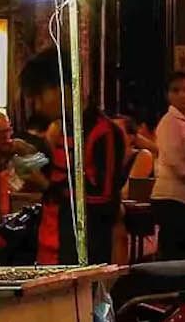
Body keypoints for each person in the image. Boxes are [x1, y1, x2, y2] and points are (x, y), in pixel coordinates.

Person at [20, 52, 126, 265]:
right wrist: (29, 158)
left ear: (61, 88)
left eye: (40, 97)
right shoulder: (61, 129)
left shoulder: (102, 132)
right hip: (51, 245)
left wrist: (46, 185)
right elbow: (58, 173)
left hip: (83, 250)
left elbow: (102, 199)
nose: (38, 107)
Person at [153, 72, 185, 260]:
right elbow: (180, 167)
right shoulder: (169, 123)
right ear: (168, 95)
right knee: (174, 258)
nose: (184, 95)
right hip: (172, 198)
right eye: (177, 90)